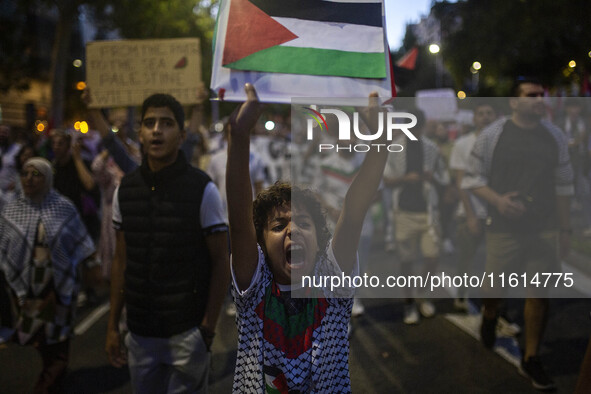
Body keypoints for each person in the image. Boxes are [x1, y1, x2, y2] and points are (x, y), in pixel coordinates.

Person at [227, 85, 386, 392]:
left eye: (303, 223)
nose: (292, 230)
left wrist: (379, 144)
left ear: (320, 238)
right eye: (278, 226)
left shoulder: (331, 283)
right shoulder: (254, 288)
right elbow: (238, 222)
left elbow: (353, 212)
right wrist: (239, 136)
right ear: (259, 242)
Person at [105, 93, 230, 393]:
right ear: (141, 133)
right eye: (149, 123)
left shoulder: (203, 189)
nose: (157, 130)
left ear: (182, 135)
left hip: (186, 333)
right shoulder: (125, 190)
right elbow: (122, 261)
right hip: (140, 333)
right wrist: (112, 326)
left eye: (166, 123)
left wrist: (208, 328)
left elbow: (221, 261)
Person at [463, 77, 574, 391]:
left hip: (544, 226)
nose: (539, 99)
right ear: (514, 102)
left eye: (542, 94)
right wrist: (497, 201)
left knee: (538, 293)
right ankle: (490, 313)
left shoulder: (554, 136)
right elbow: (472, 178)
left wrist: (565, 229)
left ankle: (531, 357)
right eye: (531, 95)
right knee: (493, 286)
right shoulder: (493, 135)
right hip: (504, 228)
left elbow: (564, 185)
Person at [0, 157, 95, 393]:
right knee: (38, 339)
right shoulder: (12, 208)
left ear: (48, 178)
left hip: (57, 284)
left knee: (58, 342)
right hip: (28, 286)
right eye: (25, 174)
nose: (29, 179)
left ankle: (47, 386)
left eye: (36, 174)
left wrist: (89, 267)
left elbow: (81, 242)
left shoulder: (63, 207)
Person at [383, 110, 450, 325]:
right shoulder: (395, 148)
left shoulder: (431, 148)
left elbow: (444, 176)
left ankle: (423, 294)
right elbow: (386, 180)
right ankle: (409, 302)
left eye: (416, 127)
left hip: (428, 211)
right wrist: (405, 178)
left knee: (432, 256)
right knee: (407, 261)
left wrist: (434, 177)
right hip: (404, 211)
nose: (412, 131)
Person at [449, 103, 497, 311]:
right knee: (466, 260)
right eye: (481, 113)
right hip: (470, 211)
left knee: (495, 264)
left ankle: (494, 308)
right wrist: (470, 215)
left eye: (489, 113)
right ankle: (461, 296)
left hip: (497, 213)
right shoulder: (462, 144)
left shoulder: (501, 143)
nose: (485, 117)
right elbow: (461, 183)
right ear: (474, 118)